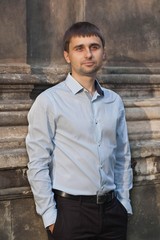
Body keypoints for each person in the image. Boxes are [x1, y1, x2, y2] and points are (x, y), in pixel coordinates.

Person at [26, 21, 133, 240]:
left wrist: (124, 204)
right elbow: (37, 161)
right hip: (71, 213)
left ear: (103, 53)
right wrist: (50, 217)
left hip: (113, 212)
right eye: (79, 48)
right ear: (67, 56)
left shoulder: (114, 101)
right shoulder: (49, 101)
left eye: (94, 47)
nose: (88, 54)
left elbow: (122, 156)